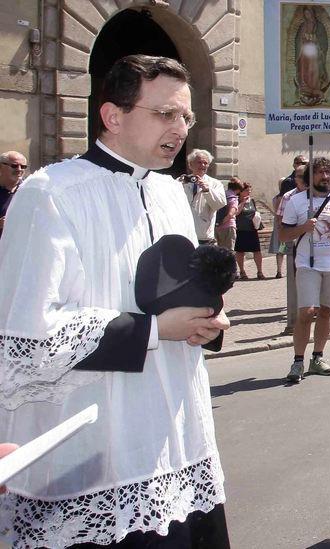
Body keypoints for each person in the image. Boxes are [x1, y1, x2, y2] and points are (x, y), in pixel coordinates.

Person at [0, 54, 231, 548]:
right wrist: (152, 331)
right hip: (95, 448)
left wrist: (205, 319)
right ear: (113, 116)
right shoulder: (49, 194)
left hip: (176, 439)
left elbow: (173, 291)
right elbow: (26, 336)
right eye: (165, 114)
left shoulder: (170, 192)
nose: (181, 128)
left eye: (186, 117)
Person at [280, 157, 330, 382]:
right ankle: (297, 361)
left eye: (328, 173)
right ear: (310, 177)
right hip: (307, 264)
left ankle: (317, 357)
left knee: (326, 312)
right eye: (320, 173)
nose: (325, 177)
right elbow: (284, 235)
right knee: (306, 312)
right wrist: (303, 228)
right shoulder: (297, 202)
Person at [269, 156, 308, 278]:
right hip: (292, 233)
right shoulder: (288, 187)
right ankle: (279, 271)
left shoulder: (316, 193)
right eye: (303, 163)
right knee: (286, 256)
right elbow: (280, 214)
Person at [181, 148, 227, 244]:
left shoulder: (215, 184)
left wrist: (207, 190)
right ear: (190, 164)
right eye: (199, 162)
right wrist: (180, 184)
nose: (202, 165)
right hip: (183, 233)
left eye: (205, 163)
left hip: (203, 236)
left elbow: (220, 204)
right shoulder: (181, 181)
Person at [234, 181, 266, 280]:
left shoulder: (252, 201)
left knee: (257, 251)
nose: (249, 192)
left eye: (250, 190)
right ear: (241, 191)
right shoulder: (236, 200)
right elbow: (236, 213)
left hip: (252, 230)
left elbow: (254, 212)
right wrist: (243, 202)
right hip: (241, 230)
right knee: (240, 252)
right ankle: (242, 272)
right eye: (247, 190)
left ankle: (260, 272)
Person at [0, 150, 27, 239]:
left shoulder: (28, 191)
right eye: (14, 166)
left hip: (20, 248)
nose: (19, 169)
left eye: (23, 167)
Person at [215, 177, 242, 251]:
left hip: (216, 228)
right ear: (238, 190)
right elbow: (230, 214)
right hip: (228, 227)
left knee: (217, 253)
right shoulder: (233, 198)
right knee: (228, 253)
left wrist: (217, 224)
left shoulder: (223, 195)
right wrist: (222, 222)